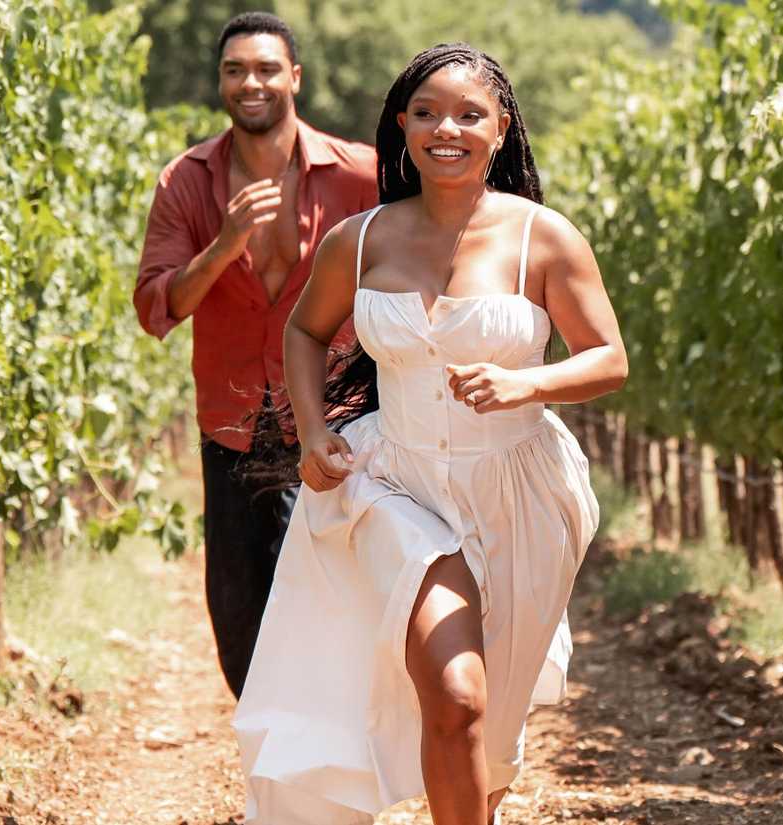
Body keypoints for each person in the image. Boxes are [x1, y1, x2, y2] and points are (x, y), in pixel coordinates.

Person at [232, 43, 628, 825]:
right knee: (455, 695)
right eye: (425, 113)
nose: (446, 129)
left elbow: (609, 359)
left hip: (518, 492)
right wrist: (313, 434)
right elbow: (305, 334)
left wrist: (528, 382)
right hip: (394, 487)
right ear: (403, 127)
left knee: (490, 736)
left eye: (468, 114)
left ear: (501, 128)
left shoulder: (543, 238)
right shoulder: (362, 237)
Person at [133, 12, 378, 698]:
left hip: (340, 425)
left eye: (266, 68)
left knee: (338, 604)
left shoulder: (359, 175)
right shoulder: (186, 181)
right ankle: (272, 760)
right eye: (235, 69)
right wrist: (224, 244)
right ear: (221, 82)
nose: (251, 82)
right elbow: (158, 307)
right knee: (238, 620)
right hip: (234, 425)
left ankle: (327, 771)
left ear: (294, 77)